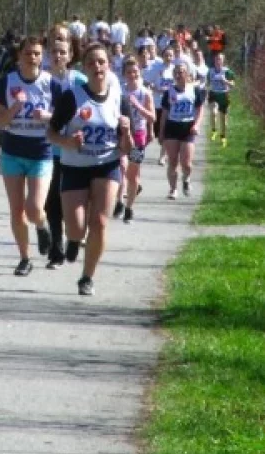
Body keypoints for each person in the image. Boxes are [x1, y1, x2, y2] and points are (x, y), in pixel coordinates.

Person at [48, 42, 133, 296]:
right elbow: (50, 132)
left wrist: (127, 131)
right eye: (91, 63)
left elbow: (126, 148)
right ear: (84, 68)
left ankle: (87, 277)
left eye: (101, 62)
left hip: (107, 165)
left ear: (108, 65)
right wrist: (68, 142)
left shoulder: (119, 98)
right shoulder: (72, 97)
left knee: (99, 223)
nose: (97, 66)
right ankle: (73, 240)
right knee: (76, 226)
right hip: (74, 166)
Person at [0, 36, 55, 276]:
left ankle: (41, 225)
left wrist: (47, 117)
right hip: (12, 151)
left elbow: (63, 117)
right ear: (19, 57)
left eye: (37, 53)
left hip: (40, 151)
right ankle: (24, 257)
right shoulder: (7, 82)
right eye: (27, 53)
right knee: (17, 210)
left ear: (42, 57)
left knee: (34, 207)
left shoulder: (51, 84)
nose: (32, 57)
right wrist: (15, 108)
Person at [42, 37, 85, 268]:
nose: (57, 56)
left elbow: (88, 110)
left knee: (73, 203)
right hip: (49, 150)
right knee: (51, 203)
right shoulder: (42, 80)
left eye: (62, 52)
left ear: (70, 56)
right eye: (54, 52)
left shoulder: (78, 80)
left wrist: (51, 117)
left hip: (75, 152)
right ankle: (56, 251)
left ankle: (75, 239)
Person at [159, 60, 205, 199]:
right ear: (174, 75)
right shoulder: (169, 92)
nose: (179, 75)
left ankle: (186, 179)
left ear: (188, 74)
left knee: (187, 163)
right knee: (172, 161)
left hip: (187, 128)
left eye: (182, 72)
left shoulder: (194, 90)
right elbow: (164, 114)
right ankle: (173, 189)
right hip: (172, 127)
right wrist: (161, 133)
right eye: (177, 72)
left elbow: (200, 110)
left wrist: (196, 125)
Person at [117, 56, 155, 223]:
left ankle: (129, 208)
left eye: (135, 72)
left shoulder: (145, 93)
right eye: (129, 72)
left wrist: (138, 106)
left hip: (138, 134)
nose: (132, 75)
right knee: (121, 168)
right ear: (124, 74)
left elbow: (152, 117)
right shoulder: (118, 91)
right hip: (121, 134)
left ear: (139, 73)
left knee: (132, 175)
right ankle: (119, 200)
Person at [207, 52, 237, 146]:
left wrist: (225, 81)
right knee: (213, 112)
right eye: (216, 59)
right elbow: (207, 83)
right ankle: (214, 130)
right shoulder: (210, 71)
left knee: (223, 119)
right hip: (213, 94)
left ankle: (223, 137)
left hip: (224, 95)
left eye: (220, 59)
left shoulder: (227, 71)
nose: (218, 61)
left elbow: (233, 85)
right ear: (214, 60)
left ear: (223, 61)